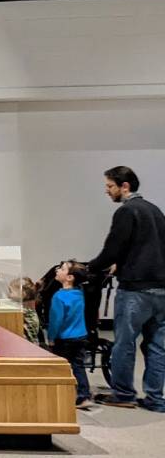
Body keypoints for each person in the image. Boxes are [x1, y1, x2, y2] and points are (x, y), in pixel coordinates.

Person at [88, 166, 165, 412]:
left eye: (110, 186)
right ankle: (155, 398)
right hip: (162, 290)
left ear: (125, 186)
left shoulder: (127, 211)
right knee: (157, 346)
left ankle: (123, 394)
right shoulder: (155, 210)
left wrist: (90, 267)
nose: (107, 191)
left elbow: (114, 247)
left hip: (135, 290)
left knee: (124, 343)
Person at [48, 260, 92, 409]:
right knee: (78, 365)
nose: (57, 270)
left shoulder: (59, 297)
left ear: (69, 277)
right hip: (81, 336)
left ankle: (59, 395)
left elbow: (56, 320)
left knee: (60, 367)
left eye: (62, 269)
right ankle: (83, 395)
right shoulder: (79, 293)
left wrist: (51, 337)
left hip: (64, 339)